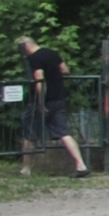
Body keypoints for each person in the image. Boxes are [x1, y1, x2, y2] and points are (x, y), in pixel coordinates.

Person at [16, 36, 88, 177]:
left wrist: (41, 103)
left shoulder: (34, 58)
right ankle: (81, 165)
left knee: (30, 134)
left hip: (43, 101)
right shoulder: (51, 53)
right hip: (59, 98)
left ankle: (26, 169)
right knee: (64, 133)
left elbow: (40, 81)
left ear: (25, 47)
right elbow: (65, 70)